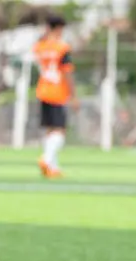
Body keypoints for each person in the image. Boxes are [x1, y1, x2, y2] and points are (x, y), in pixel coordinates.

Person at [34, 16, 79, 178]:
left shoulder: (40, 46)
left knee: (50, 130)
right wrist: (73, 96)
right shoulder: (62, 48)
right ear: (59, 28)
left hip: (43, 90)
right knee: (59, 131)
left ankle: (52, 167)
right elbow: (67, 72)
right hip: (57, 92)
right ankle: (46, 159)